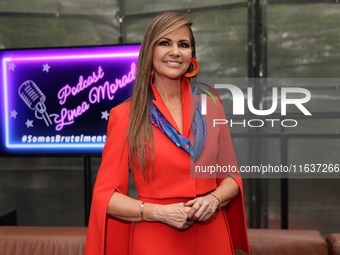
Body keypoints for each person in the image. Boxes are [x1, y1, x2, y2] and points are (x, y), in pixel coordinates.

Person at [85, 12, 250, 255]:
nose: (175, 51)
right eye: (165, 43)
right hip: (155, 238)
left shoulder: (211, 104)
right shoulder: (125, 115)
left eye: (183, 45)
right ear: (149, 53)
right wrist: (158, 212)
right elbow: (106, 197)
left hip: (212, 236)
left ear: (191, 56)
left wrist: (214, 199)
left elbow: (231, 178)